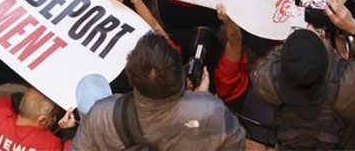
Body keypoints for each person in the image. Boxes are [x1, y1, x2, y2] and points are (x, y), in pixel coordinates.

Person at [251, 0, 355, 149]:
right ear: (324, 56)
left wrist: (299, 43)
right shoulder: (348, 85)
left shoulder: (267, 82)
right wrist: (352, 26)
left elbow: (270, 63)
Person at [74, 32, 246, 149]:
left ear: (131, 78)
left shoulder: (100, 114)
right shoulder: (212, 112)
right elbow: (236, 144)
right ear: (181, 75)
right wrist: (201, 101)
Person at [0, 82, 68, 151]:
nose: (53, 120)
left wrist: (29, 94)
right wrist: (69, 131)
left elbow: (4, 89)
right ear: (42, 120)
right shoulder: (51, 144)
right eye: (52, 116)